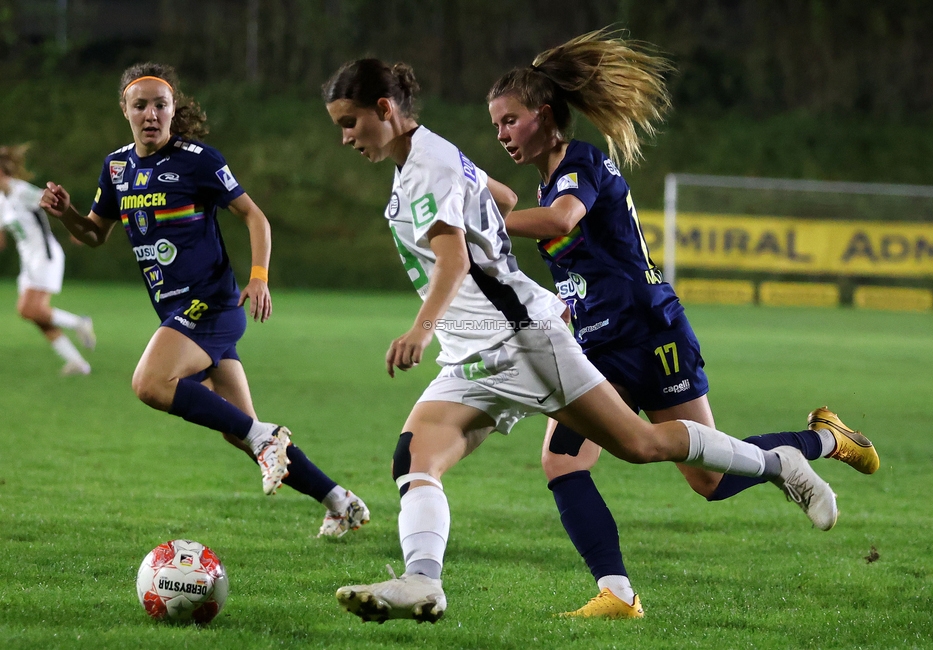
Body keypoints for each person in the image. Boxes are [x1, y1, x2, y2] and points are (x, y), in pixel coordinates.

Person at [323, 57, 844, 625]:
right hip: (478, 348)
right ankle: (423, 581)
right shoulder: (429, 161)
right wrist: (482, 228)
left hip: (525, 340)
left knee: (641, 445)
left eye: (350, 123)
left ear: (385, 109)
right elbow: (499, 197)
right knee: (416, 456)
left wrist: (419, 329)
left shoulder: (435, 166)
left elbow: (459, 253)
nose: (346, 138)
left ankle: (779, 461)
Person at [485, 29, 881, 618]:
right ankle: (617, 593)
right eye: (496, 126)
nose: (502, 135)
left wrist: (486, 219)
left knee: (709, 480)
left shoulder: (581, 164)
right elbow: (579, 263)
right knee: (564, 460)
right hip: (602, 345)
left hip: (650, 334)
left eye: (510, 121)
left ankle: (823, 441)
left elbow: (562, 216)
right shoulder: (547, 182)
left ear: (544, 115)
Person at [39, 62, 369, 538]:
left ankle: (266, 439)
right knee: (238, 428)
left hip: (212, 305)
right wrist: (68, 212)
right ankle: (340, 501)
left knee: (151, 383)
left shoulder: (198, 159)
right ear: (125, 110)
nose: (151, 114)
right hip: (176, 310)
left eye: (160, 104)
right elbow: (93, 235)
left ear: (173, 109)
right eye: (140, 105)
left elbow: (255, 217)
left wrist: (258, 277)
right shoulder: (116, 168)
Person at [0, 144, 96, 376]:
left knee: (27, 309)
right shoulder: (1, 199)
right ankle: (78, 364)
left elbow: (55, 201)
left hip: (45, 256)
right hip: (29, 261)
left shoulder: (21, 190)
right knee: (36, 316)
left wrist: (77, 228)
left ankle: (79, 323)